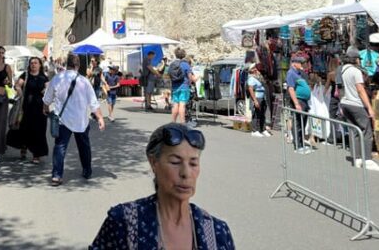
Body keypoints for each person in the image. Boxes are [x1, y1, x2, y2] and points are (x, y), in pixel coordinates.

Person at [90, 124, 235, 249]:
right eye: (175, 162)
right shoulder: (124, 223)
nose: (186, 173)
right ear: (154, 163)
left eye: (193, 163)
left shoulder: (217, 232)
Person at [43, 52, 105, 186]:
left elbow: (47, 99)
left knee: (60, 147)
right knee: (84, 147)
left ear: (66, 64)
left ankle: (56, 176)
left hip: (63, 120)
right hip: (80, 120)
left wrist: (46, 109)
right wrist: (100, 118)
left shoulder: (57, 78)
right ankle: (87, 170)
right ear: (78, 66)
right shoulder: (84, 81)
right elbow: (93, 103)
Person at [340, 49, 379, 171]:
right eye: (358, 59)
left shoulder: (343, 70)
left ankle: (357, 158)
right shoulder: (355, 71)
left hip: (346, 102)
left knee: (354, 131)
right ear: (355, 59)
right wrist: (369, 108)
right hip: (356, 104)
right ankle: (367, 159)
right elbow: (360, 90)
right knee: (366, 131)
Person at [14, 57, 49, 163]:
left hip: (39, 107)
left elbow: (49, 89)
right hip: (26, 106)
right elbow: (17, 85)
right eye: (31, 63)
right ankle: (23, 147)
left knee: (39, 130)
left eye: (35, 63)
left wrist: (46, 90)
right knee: (25, 128)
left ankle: (36, 154)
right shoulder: (26, 75)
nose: (33, 65)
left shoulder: (44, 77)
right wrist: (19, 91)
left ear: (40, 65)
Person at [285, 56, 312, 153]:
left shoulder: (300, 73)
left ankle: (301, 143)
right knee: (298, 123)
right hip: (298, 100)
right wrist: (296, 103)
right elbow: (291, 89)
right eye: (300, 63)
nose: (302, 65)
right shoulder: (291, 73)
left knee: (303, 122)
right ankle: (298, 145)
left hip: (303, 101)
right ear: (294, 63)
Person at [169, 48, 196, 125]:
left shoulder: (172, 64)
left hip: (174, 87)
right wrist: (189, 83)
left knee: (175, 104)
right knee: (182, 105)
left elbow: (169, 75)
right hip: (184, 86)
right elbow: (190, 76)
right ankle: (182, 122)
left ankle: (173, 122)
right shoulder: (185, 64)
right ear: (183, 55)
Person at [246, 64, 270, 138]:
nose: (255, 69)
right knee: (256, 114)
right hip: (257, 97)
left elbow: (264, 83)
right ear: (250, 70)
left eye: (255, 68)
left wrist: (260, 74)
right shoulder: (251, 78)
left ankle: (262, 129)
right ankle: (254, 130)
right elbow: (251, 90)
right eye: (253, 68)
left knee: (262, 114)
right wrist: (255, 101)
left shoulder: (258, 77)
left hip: (262, 97)